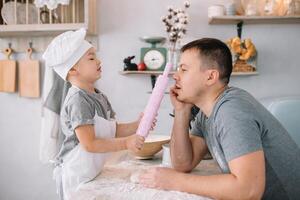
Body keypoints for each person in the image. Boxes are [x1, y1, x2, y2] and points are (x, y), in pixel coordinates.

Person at [140, 38, 300, 200]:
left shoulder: (231, 111)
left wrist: (174, 181)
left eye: (183, 69)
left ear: (210, 77)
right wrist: (181, 112)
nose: (175, 76)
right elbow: (183, 163)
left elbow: (249, 190)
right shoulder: (207, 112)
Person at [43, 28, 153, 200]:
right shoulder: (78, 100)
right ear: (72, 70)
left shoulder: (98, 96)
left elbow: (112, 129)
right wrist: (127, 143)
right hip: (77, 177)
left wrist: (137, 125)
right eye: (92, 57)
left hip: (92, 173)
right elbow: (90, 144)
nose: (99, 61)